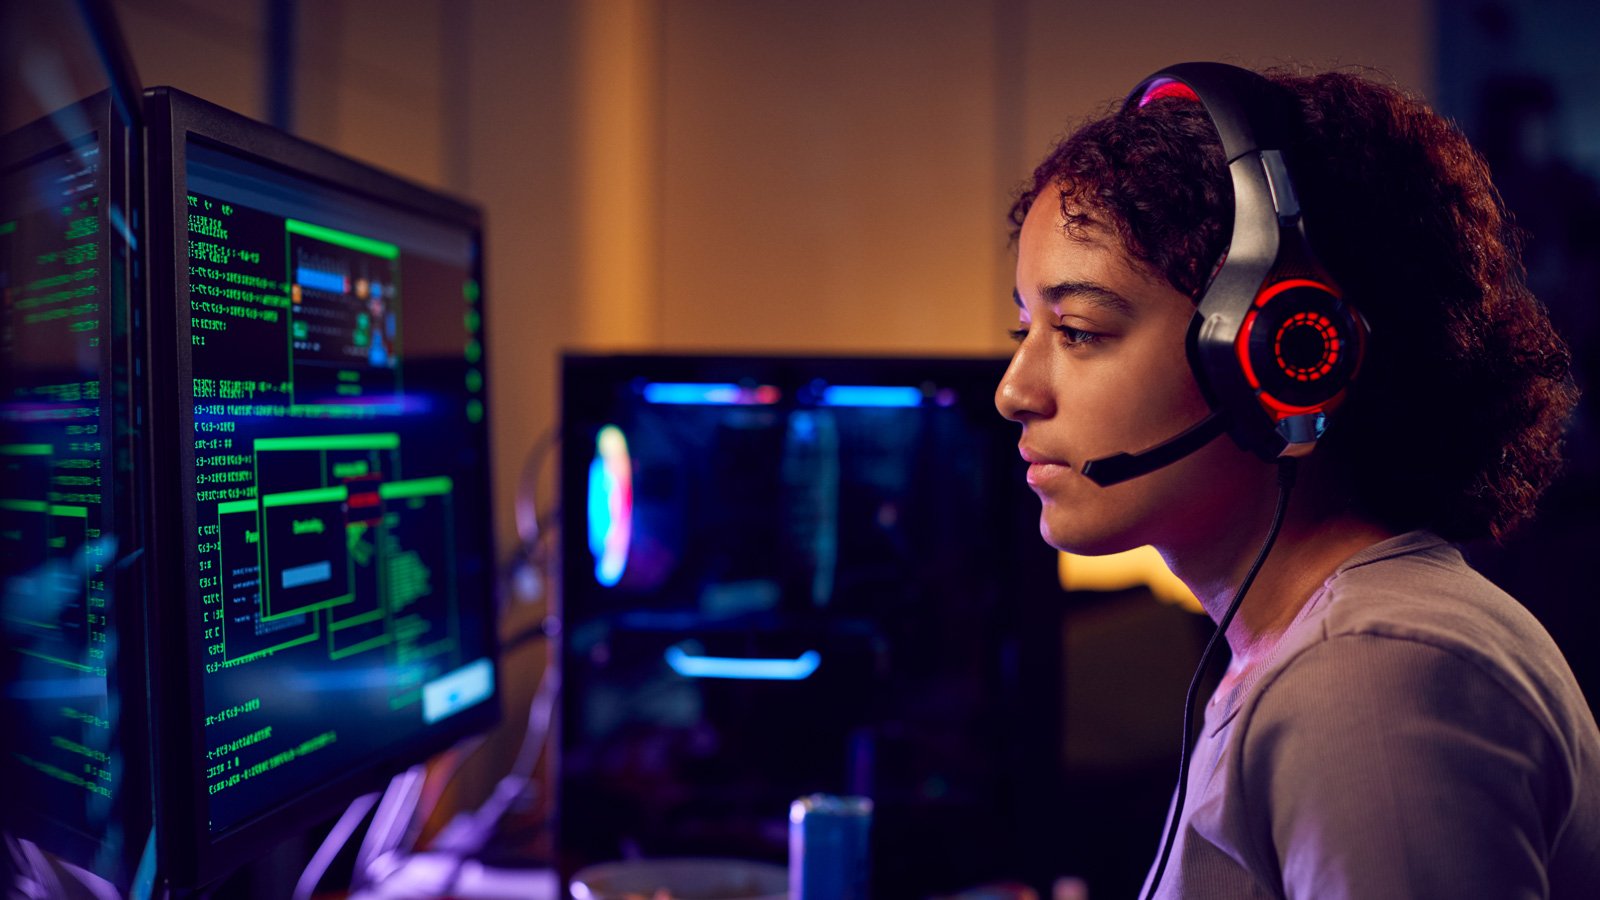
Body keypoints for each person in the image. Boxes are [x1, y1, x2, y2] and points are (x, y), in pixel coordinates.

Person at [996, 64, 1600, 898]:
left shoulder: (1371, 682)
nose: (1014, 391)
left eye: (1080, 330)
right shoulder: (1315, 652)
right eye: (1024, 328)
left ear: (1282, 354)